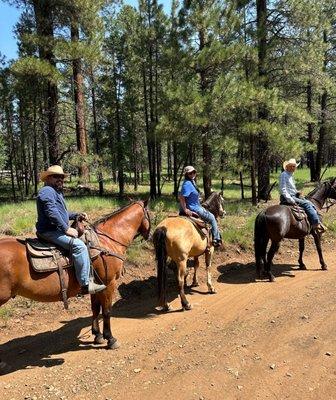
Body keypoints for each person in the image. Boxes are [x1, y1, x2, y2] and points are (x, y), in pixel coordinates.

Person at [36, 165, 106, 294]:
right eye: (57, 176)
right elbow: (51, 212)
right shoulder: (47, 191)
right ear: (48, 178)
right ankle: (85, 284)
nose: (60, 179)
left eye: (62, 177)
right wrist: (66, 228)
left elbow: (62, 213)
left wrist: (76, 215)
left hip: (55, 230)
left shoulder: (55, 192)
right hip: (49, 231)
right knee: (79, 246)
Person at [178, 165, 222, 247]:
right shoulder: (187, 184)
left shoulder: (192, 182)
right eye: (190, 173)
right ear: (186, 174)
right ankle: (216, 238)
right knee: (212, 217)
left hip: (195, 205)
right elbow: (182, 197)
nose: (193, 174)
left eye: (194, 172)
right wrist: (185, 209)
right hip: (194, 208)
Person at [279, 158, 326, 233]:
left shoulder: (290, 175)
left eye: (294, 166)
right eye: (292, 166)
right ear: (287, 167)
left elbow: (290, 188)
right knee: (307, 204)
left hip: (293, 195)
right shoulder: (284, 175)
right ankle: (316, 223)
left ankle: (315, 220)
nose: (293, 168)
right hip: (287, 198)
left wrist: (297, 192)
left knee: (310, 202)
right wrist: (291, 199)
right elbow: (283, 189)